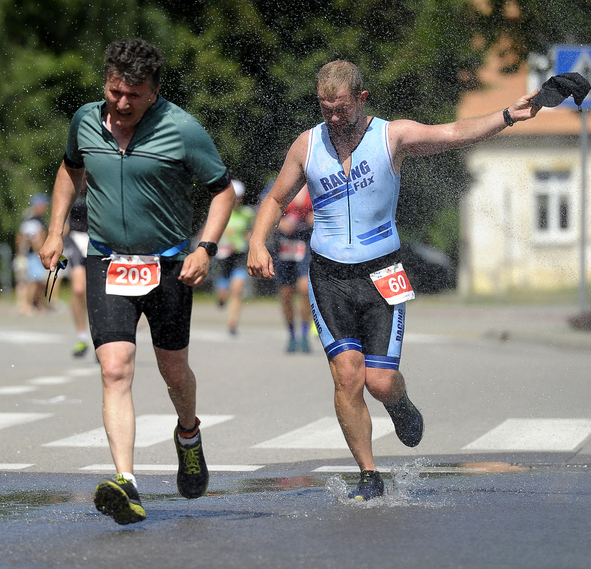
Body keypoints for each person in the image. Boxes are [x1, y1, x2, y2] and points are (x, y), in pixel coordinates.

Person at [247, 60, 542, 501]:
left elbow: (454, 132)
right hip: (328, 275)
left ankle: (400, 406)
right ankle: (368, 473)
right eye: (325, 108)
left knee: (380, 382)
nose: (332, 118)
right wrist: (257, 241)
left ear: (361, 99)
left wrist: (506, 115)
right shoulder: (307, 146)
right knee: (347, 375)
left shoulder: (392, 137)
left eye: (341, 109)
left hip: (382, 270)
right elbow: (275, 197)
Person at [39, 38, 234, 525]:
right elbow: (70, 168)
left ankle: (188, 433)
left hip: (169, 266)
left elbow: (222, 192)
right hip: (106, 262)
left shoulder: (182, 128)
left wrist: (204, 249)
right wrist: (55, 231)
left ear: (155, 91)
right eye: (114, 92)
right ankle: (126, 482)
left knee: (173, 373)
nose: (122, 103)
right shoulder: (85, 120)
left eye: (135, 94)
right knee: (114, 369)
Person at [274, 184, 314, 353]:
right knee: (286, 293)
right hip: (284, 244)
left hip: (305, 242)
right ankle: (291, 335)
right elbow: (265, 206)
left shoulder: (315, 182)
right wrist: (279, 221)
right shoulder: (280, 183)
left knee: (305, 289)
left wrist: (316, 216)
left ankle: (304, 334)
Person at [214, 179, 255, 335]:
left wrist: (248, 236)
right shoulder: (221, 211)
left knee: (237, 290)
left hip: (239, 254)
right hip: (223, 255)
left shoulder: (246, 214)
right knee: (223, 291)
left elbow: (251, 231)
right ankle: (221, 299)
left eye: (238, 197)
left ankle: (232, 323)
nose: (236, 200)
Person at [63, 197, 90, 356]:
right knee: (79, 290)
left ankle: (100, 339)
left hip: (96, 238)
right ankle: (81, 337)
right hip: (75, 238)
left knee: (96, 294)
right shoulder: (71, 177)